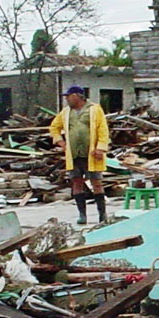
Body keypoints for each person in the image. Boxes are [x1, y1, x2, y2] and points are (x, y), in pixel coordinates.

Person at [49, 85, 110, 225]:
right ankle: (82, 215)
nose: (66, 99)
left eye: (68, 96)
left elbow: (103, 130)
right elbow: (54, 127)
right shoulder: (65, 112)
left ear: (76, 96)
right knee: (76, 182)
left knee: (96, 183)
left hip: (92, 153)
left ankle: (102, 215)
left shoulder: (94, 109)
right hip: (74, 154)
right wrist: (60, 141)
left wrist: (101, 148)